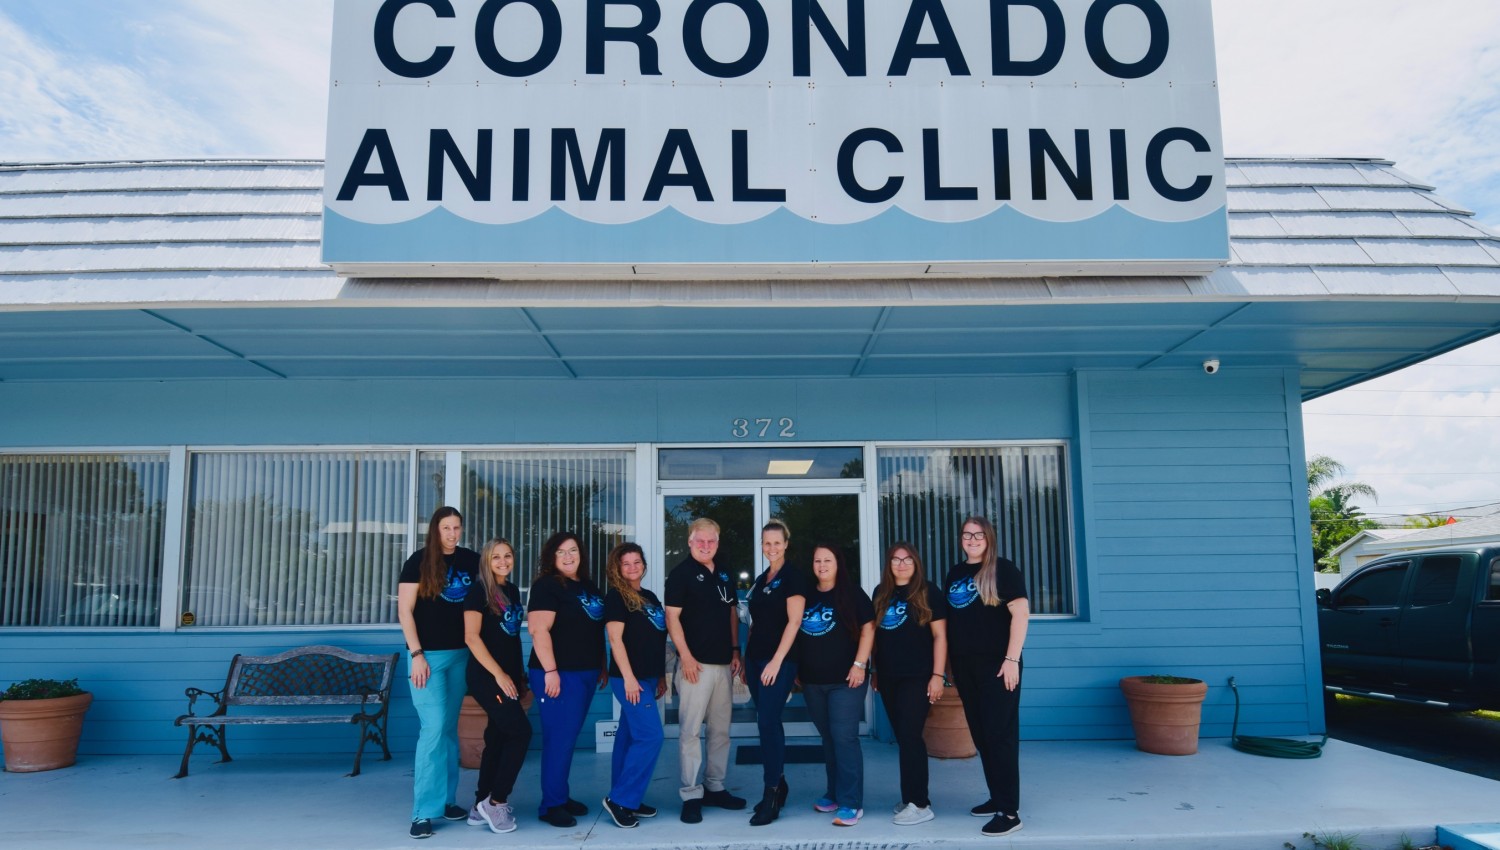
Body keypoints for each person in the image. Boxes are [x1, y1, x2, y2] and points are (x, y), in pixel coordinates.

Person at [945, 515, 1030, 837]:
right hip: (966, 668)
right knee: (982, 736)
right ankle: (997, 796)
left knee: (1000, 736)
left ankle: (1010, 813)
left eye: (978, 535)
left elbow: (1021, 615)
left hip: (998, 665)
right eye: (967, 534)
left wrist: (1012, 659)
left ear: (989, 538)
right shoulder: (955, 572)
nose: (972, 540)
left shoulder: (1003, 570)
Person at [397, 506, 479, 840]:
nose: (452, 533)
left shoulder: (472, 560)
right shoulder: (418, 561)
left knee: (447, 728)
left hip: (461, 655)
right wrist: (416, 653)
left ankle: (446, 801)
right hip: (426, 658)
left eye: (457, 527)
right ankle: (422, 812)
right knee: (432, 730)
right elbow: (405, 611)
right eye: (446, 527)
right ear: (435, 529)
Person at [663, 517, 747, 823]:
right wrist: (685, 657)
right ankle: (691, 793)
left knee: (720, 731)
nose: (706, 546)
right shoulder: (680, 574)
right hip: (694, 667)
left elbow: (732, 613)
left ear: (718, 542)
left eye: (711, 541)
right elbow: (672, 619)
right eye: (700, 541)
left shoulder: (724, 572)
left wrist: (736, 650)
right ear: (690, 541)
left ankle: (714, 786)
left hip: (724, 664)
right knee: (690, 732)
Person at [526, 531, 607, 828]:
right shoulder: (547, 586)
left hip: (584, 672)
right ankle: (551, 805)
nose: (569, 556)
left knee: (567, 738)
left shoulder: (586, 586)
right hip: (558, 675)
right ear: (551, 557)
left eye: (573, 550)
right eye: (561, 552)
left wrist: (601, 663)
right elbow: (538, 630)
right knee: (558, 739)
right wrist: (550, 671)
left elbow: (593, 627)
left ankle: (560, 794)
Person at [871, 542, 948, 826]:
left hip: (918, 676)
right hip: (889, 677)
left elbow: (941, 637)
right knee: (904, 737)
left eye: (907, 560)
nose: (901, 564)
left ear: (916, 563)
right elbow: (877, 637)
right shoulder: (881, 593)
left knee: (911, 735)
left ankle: (920, 803)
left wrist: (937, 676)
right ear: (888, 564)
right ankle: (909, 798)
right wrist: (875, 670)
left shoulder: (928, 591)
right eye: (895, 559)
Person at [799, 543, 875, 827]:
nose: (821, 565)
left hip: (846, 681)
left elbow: (869, 628)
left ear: (838, 563)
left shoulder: (852, 593)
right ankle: (834, 793)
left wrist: (860, 664)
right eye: (817, 560)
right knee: (829, 738)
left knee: (844, 738)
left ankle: (851, 803)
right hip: (812, 682)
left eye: (827, 560)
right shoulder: (805, 593)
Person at [461, 538, 532, 835]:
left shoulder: (512, 590)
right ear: (486, 562)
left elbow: (511, 638)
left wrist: (518, 675)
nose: (503, 562)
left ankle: (480, 804)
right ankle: (497, 801)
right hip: (487, 677)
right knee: (520, 732)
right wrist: (500, 675)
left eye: (508, 556)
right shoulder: (478, 591)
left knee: (498, 735)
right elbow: (471, 637)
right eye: (496, 558)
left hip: (508, 677)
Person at [601, 542, 669, 829]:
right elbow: (615, 640)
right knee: (652, 736)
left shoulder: (650, 596)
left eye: (636, 562)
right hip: (630, 679)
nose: (632, 567)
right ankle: (620, 799)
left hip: (649, 677)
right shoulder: (617, 597)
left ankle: (628, 798)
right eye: (626, 563)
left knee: (629, 738)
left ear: (644, 564)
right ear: (618, 568)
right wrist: (629, 678)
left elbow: (658, 639)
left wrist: (662, 675)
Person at [743, 519, 806, 826]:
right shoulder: (762, 578)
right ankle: (778, 784)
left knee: (768, 721)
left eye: (777, 543)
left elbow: (794, 622)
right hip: (755, 661)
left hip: (778, 662)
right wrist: (745, 659)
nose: (772, 548)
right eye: (766, 543)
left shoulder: (793, 577)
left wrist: (777, 661)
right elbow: (755, 623)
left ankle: (772, 793)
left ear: (786, 544)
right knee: (765, 722)